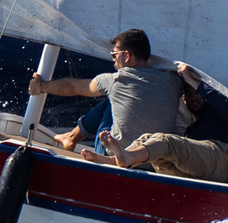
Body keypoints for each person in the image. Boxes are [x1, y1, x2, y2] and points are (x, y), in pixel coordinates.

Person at [85, 63, 228, 181]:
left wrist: (190, 79)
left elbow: (226, 106)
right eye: (188, 93)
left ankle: (124, 158)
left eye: (197, 92)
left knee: (165, 142)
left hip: (222, 160)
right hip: (199, 169)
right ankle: (116, 159)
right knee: (149, 140)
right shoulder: (192, 123)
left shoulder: (219, 111)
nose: (194, 97)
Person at [27, 28, 182, 146]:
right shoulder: (174, 82)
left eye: (114, 55)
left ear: (126, 56)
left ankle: (71, 137)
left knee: (109, 103)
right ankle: (71, 136)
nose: (113, 61)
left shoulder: (116, 81)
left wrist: (40, 86)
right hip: (154, 158)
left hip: (115, 154)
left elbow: (71, 86)